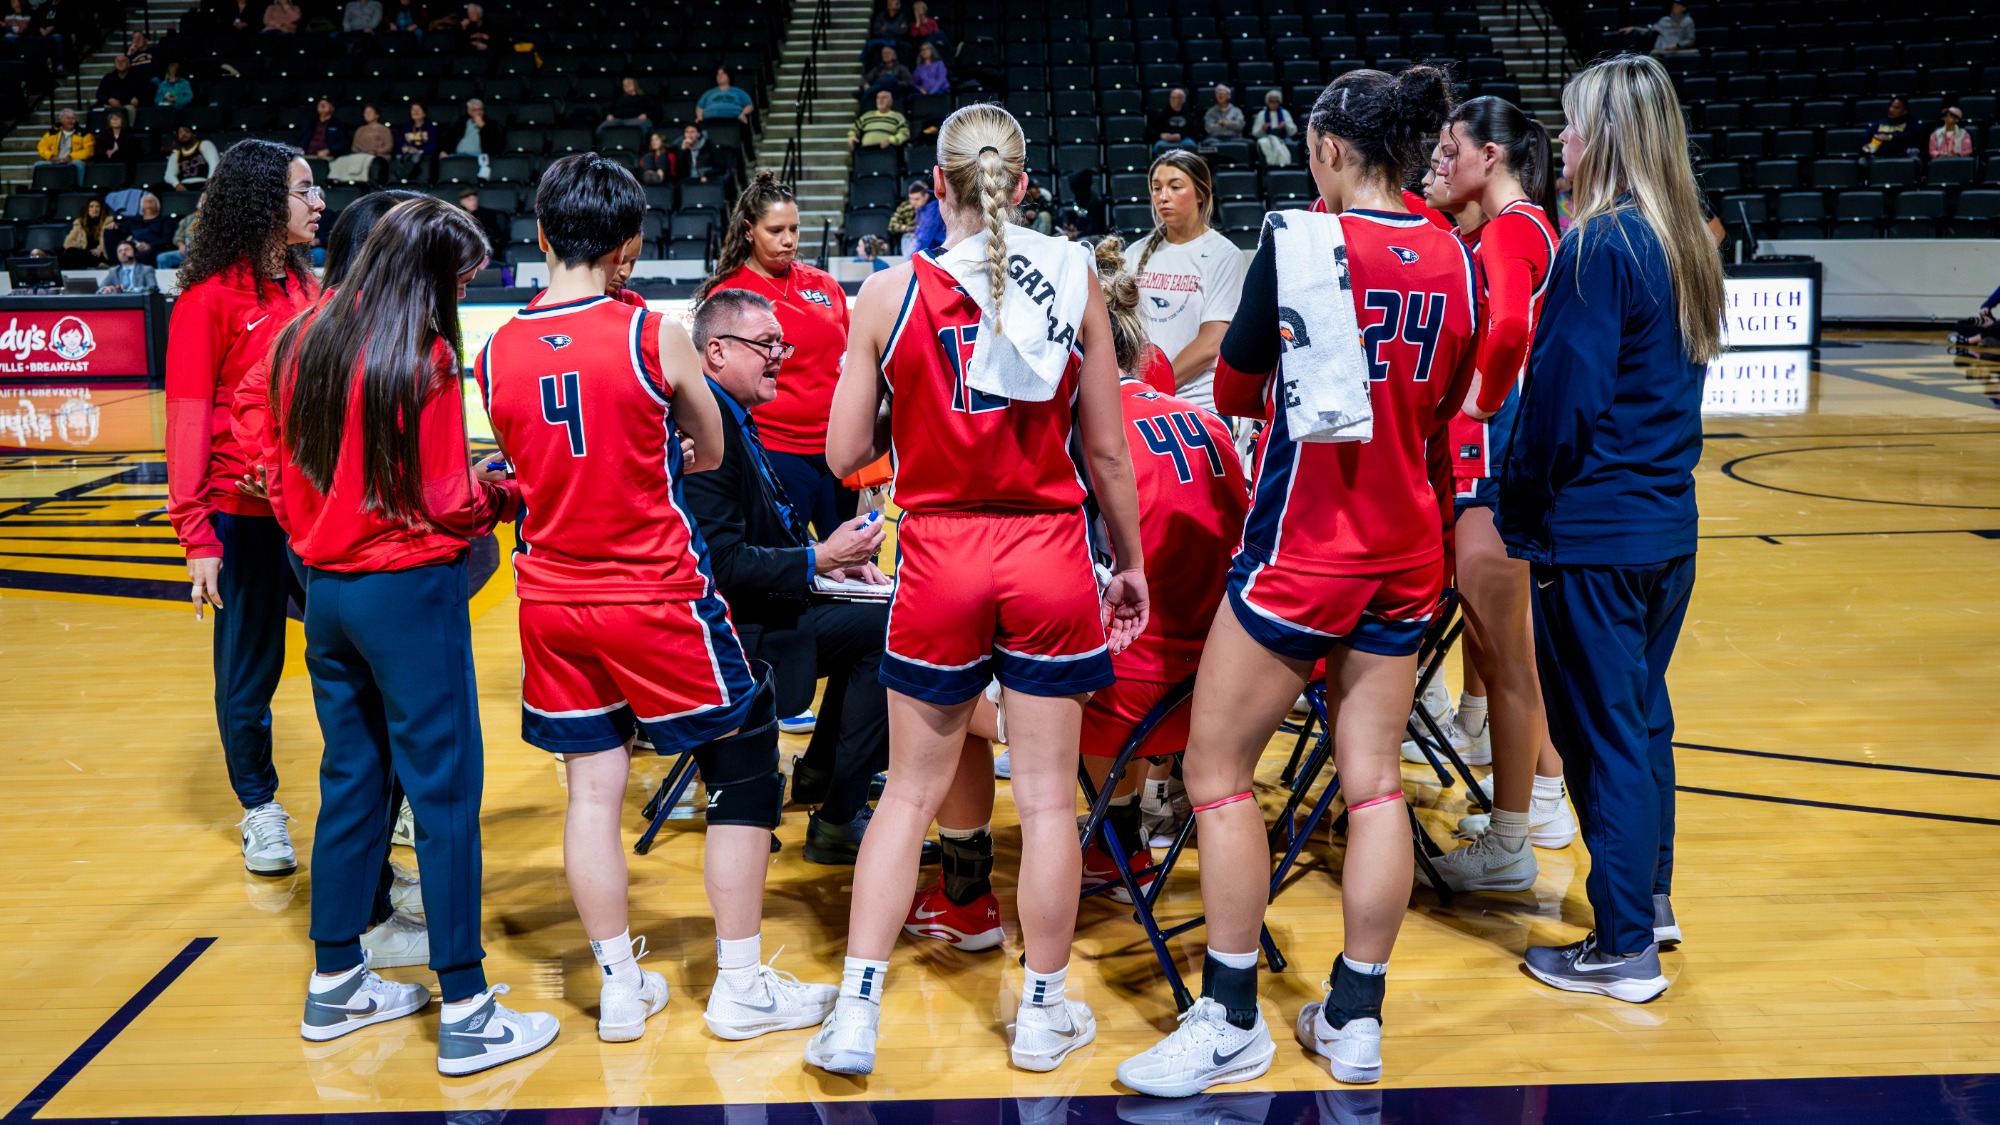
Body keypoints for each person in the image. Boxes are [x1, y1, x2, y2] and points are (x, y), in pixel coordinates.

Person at [1114, 64, 1477, 1096]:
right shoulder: (1454, 254)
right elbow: (1449, 400)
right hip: (1410, 550)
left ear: (1323, 149)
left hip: (1306, 545)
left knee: (1216, 773)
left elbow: (1231, 384)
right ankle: (1354, 1018)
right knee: (1370, 786)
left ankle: (1228, 1017)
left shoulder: (1298, 237)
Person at [803, 101, 1148, 1078]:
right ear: (1024, 185)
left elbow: (841, 452)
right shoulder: (1074, 277)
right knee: (1043, 801)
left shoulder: (887, 292)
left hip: (942, 551)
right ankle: (1040, 1014)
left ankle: (853, 1016)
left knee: (906, 795)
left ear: (932, 190)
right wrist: (1125, 565)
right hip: (1044, 550)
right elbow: (1107, 453)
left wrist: (906, 421)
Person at [479, 153, 839, 1046]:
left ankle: (620, 987)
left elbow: (521, 471)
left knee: (592, 792)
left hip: (551, 599)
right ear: (631, 245)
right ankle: (741, 984)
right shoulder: (653, 335)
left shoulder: (494, 350)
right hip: (651, 590)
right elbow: (711, 448)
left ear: (540, 231)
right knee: (747, 760)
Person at [260, 195, 555, 1074]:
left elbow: (278, 481)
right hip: (408, 594)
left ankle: (337, 981)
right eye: (460, 277)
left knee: (352, 782)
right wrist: (504, 493)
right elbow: (448, 503)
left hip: (327, 595)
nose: (464, 290)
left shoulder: (299, 339)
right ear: (426, 272)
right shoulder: (420, 358)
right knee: (445, 794)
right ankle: (467, 1006)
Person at [1501, 52, 1725, 1003]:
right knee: (1643, 717)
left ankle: (1623, 942)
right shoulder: (1686, 241)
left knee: (1604, 733)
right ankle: (1650, 900)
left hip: (1595, 531)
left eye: (1576, 126)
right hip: (1666, 523)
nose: (1564, 142)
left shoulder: (1598, 247)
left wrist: (1518, 503)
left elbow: (1561, 405)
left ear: (1611, 142)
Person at [680, 289, 912, 865]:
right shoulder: (704, 432)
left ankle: (823, 777)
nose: (781, 355)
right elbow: (724, 566)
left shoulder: (730, 417)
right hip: (738, 632)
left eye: (780, 343)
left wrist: (825, 557)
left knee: (886, 612)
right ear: (715, 352)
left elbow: (757, 539)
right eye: (766, 344)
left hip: (764, 606)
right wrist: (820, 562)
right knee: (894, 627)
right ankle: (836, 816)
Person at [1417, 96, 1578, 896]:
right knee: (1498, 649)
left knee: (1507, 656)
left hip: (1496, 474)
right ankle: (1538, 806)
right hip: (1493, 476)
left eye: (1453, 150)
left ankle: (1514, 839)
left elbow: (1510, 327)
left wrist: (1474, 406)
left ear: (1491, 155)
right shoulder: (1511, 229)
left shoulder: (1514, 231)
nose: (1443, 164)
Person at [164, 139, 323, 877]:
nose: (318, 202)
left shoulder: (308, 287)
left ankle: (388, 800)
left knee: (350, 660)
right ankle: (259, 807)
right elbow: (190, 421)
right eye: (304, 190)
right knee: (249, 672)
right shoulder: (207, 303)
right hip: (243, 517)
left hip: (320, 511)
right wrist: (197, 533)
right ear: (264, 202)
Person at [1079, 237, 1247, 900]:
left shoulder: (1088, 427)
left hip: (1137, 692)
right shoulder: (1205, 422)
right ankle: (1128, 822)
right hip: (1223, 684)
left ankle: (1106, 844)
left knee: (956, 692)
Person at [697, 173, 856, 541]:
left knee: (854, 562)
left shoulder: (824, 285)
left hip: (837, 452)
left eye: (794, 230)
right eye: (776, 230)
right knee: (785, 567)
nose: (788, 241)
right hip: (775, 452)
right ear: (749, 230)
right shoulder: (728, 297)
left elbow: (849, 361)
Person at [1123, 151, 1245, 414]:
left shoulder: (1223, 255)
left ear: (1201, 193)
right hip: (1142, 400)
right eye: (1156, 188)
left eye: (1175, 187)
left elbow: (1213, 341)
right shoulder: (1134, 253)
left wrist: (1154, 387)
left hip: (1198, 405)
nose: (1163, 196)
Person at [34, 109, 93, 183]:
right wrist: (51, 157)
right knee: (38, 165)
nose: (71, 121)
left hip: (73, 160)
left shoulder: (85, 133)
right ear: (61, 120)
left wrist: (70, 157)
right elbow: (42, 147)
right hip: (55, 160)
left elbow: (89, 151)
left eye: (73, 118)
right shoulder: (52, 133)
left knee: (78, 165)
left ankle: (79, 188)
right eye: (68, 118)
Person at [449, 97, 504, 173]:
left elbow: (494, 145)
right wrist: (444, 150)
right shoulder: (460, 123)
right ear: (469, 111)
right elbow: (449, 139)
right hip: (458, 155)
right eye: (475, 110)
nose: (478, 112)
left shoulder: (492, 125)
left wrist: (483, 127)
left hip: (479, 157)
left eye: (480, 109)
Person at [61, 197, 117, 269]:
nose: (95, 209)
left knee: (75, 258)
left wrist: (101, 249)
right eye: (91, 206)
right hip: (86, 253)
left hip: (100, 253)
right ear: (87, 209)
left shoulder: (108, 222)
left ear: (101, 209)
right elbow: (68, 243)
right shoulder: (79, 223)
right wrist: (83, 247)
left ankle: (100, 263)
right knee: (69, 252)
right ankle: (97, 264)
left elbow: (110, 242)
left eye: (97, 207)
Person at [1619, 0, 1694, 54]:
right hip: (1661, 50)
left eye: (1678, 5)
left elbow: (1690, 40)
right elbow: (1649, 30)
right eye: (1674, 5)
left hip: (1678, 51)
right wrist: (1633, 28)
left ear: (1683, 8)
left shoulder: (1688, 21)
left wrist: (1678, 45)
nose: (1674, 7)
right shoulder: (1665, 20)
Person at [1251, 89, 1299, 167]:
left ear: (1279, 102)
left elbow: (1293, 131)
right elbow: (1255, 133)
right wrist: (1263, 128)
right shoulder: (1262, 114)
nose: (1273, 104)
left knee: (1291, 145)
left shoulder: (1285, 113)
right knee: (1263, 143)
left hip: (1282, 137)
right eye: (1271, 101)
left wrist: (1285, 125)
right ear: (1267, 102)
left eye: (1276, 101)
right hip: (1267, 137)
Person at [123, 191, 173, 265]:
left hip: (154, 248)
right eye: (146, 201)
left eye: (151, 201)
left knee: (144, 254)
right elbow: (123, 232)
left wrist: (150, 246)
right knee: (110, 231)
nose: (148, 203)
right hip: (133, 246)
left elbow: (167, 239)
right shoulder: (133, 220)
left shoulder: (166, 220)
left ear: (158, 206)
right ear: (141, 206)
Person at [392, 102, 438, 182]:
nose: (415, 112)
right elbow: (400, 143)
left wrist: (420, 151)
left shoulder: (431, 127)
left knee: (416, 157)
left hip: (423, 153)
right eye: (413, 110)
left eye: (418, 110)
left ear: (424, 113)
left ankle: (403, 177)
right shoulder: (406, 127)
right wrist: (403, 148)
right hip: (407, 153)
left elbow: (433, 143)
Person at [1149, 88, 1201, 155]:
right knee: (1159, 147)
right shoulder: (1161, 114)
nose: (1173, 100)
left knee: (1191, 146)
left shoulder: (1190, 114)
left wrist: (1181, 135)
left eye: (1177, 98)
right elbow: (1151, 130)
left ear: (1183, 100)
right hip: (1165, 141)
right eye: (1172, 97)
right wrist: (1161, 135)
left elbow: (1195, 131)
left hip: (1184, 139)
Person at [166, 125, 220, 189]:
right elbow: (169, 175)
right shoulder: (175, 155)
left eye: (186, 131)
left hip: (202, 182)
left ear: (193, 134)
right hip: (184, 185)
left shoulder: (204, 145)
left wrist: (210, 179)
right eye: (180, 132)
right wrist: (176, 184)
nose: (183, 134)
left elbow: (214, 162)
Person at [861, 0, 910, 66]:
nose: (892, 7)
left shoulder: (902, 16)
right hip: (883, 39)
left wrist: (887, 29)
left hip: (896, 40)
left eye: (894, 3)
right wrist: (895, 29)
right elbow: (877, 30)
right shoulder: (881, 15)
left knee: (908, 46)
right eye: (890, 4)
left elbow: (903, 31)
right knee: (869, 45)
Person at [158, 201, 200, 270]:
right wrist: (181, 245)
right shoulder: (188, 219)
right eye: (202, 198)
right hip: (185, 251)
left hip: (202, 253)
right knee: (162, 258)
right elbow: (178, 235)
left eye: (205, 198)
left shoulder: (213, 218)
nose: (203, 201)